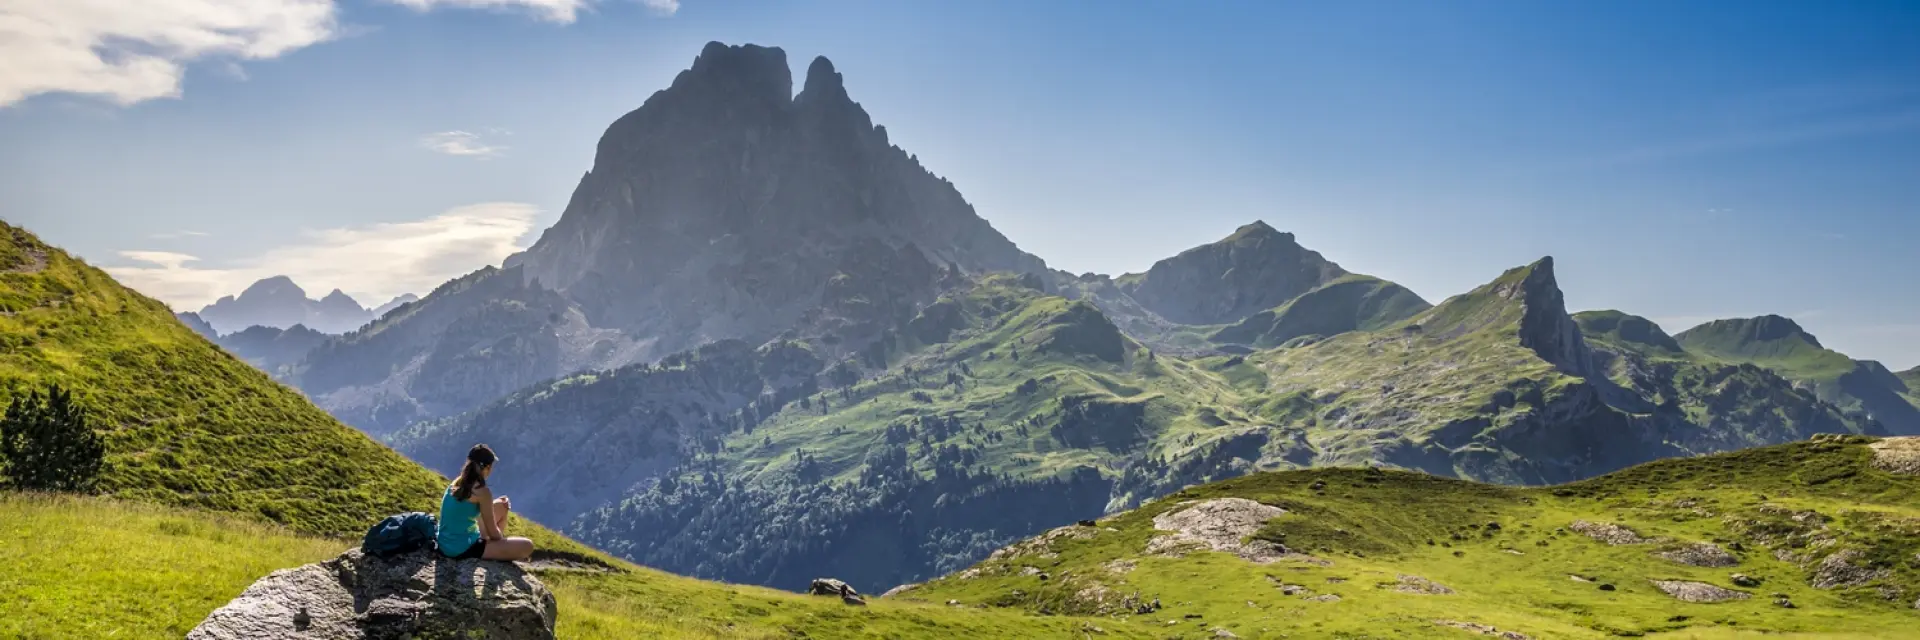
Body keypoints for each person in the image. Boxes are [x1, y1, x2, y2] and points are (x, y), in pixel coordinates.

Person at [437, 443, 534, 561]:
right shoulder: (482, 492)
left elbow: (467, 508)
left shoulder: (458, 482)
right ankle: (498, 552)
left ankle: (496, 547)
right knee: (527, 546)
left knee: (501, 505)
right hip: (461, 548)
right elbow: (493, 533)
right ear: (487, 468)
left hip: (445, 542)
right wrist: (501, 542)